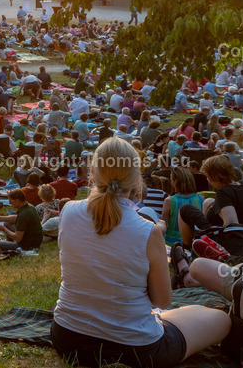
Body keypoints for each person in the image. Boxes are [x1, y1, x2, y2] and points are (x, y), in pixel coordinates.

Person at [52, 137, 230, 368]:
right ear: (136, 179)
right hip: (136, 350)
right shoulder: (148, 231)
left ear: (93, 171)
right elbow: (163, 300)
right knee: (220, 319)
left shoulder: (67, 211)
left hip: (67, 338)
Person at [177, 155, 243, 257]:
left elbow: (232, 224)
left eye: (207, 176)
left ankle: (187, 249)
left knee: (185, 209)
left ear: (214, 176)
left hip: (236, 242)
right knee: (209, 201)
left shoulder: (223, 192)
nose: (207, 179)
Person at [160, 167, 203, 246]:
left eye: (171, 179)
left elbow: (163, 225)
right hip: (194, 243)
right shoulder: (200, 199)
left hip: (172, 243)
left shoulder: (170, 201)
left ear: (176, 181)